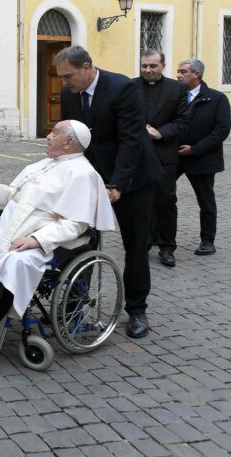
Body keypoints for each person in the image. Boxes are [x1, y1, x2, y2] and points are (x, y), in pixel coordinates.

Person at [0, 120, 116, 357]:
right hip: (10, 228)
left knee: (16, 262)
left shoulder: (83, 174)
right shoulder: (43, 164)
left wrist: (37, 239)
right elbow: (16, 198)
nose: (47, 136)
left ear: (68, 142)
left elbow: (74, 224)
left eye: (54, 133)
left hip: (52, 241)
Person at [55, 46, 161, 338]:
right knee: (80, 241)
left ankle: (137, 310)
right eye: (61, 77)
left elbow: (132, 140)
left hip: (134, 178)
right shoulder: (68, 94)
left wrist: (117, 185)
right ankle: (75, 305)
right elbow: (71, 139)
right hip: (93, 177)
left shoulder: (122, 88)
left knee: (136, 246)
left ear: (87, 67)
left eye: (68, 76)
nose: (64, 83)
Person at [132, 50, 189, 268]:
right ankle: (141, 243)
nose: (148, 70)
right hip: (137, 155)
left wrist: (161, 132)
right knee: (138, 203)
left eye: (153, 66)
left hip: (164, 154)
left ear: (163, 66)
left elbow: (183, 119)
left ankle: (167, 247)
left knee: (165, 202)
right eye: (144, 66)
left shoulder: (177, 89)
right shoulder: (130, 86)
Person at [176, 59, 231, 256]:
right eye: (178, 71)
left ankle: (208, 240)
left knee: (206, 201)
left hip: (202, 158)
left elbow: (222, 130)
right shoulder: (175, 96)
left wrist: (195, 149)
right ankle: (160, 236)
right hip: (174, 156)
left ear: (196, 74)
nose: (178, 75)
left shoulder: (216, 98)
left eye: (183, 72)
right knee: (162, 195)